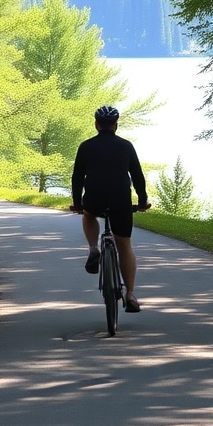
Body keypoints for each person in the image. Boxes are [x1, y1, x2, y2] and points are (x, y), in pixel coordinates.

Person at [69, 105, 150, 313]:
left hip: (94, 198)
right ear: (115, 125)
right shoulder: (126, 146)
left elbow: (77, 177)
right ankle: (130, 294)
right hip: (120, 200)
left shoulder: (86, 146)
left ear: (97, 125)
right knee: (124, 245)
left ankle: (93, 248)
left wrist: (77, 203)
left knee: (88, 214)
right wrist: (142, 201)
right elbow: (137, 176)